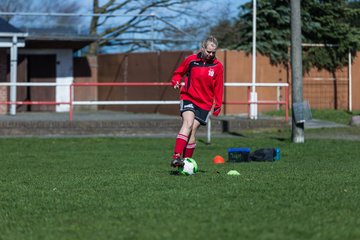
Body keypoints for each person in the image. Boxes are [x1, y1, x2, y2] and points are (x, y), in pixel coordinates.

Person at [170, 35, 224, 167]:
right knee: (187, 123)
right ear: (202, 48)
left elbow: (219, 87)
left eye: (213, 52)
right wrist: (176, 80)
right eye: (208, 51)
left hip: (204, 103)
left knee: (193, 130)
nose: (211, 54)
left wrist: (218, 105)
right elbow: (178, 73)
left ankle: (186, 162)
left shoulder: (218, 66)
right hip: (189, 97)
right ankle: (176, 156)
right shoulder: (191, 60)